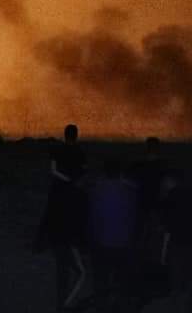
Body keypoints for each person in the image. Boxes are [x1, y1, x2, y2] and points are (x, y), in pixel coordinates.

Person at [40, 124, 88, 311]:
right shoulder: (80, 151)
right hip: (73, 188)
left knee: (52, 212)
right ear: (76, 135)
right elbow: (84, 170)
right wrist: (73, 181)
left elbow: (52, 171)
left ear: (64, 135)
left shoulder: (57, 149)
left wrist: (64, 179)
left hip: (60, 188)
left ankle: (50, 237)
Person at [88, 159, 138, 311]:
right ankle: (121, 306)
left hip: (102, 241)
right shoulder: (129, 191)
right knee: (122, 279)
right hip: (123, 241)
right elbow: (134, 215)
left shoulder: (97, 190)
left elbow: (92, 217)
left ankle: (102, 306)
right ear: (120, 173)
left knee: (101, 278)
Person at [161, 171, 192, 312]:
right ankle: (184, 302)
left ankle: (176, 304)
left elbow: (168, 228)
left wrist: (163, 252)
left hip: (177, 242)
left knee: (176, 275)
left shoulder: (170, 198)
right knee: (186, 274)